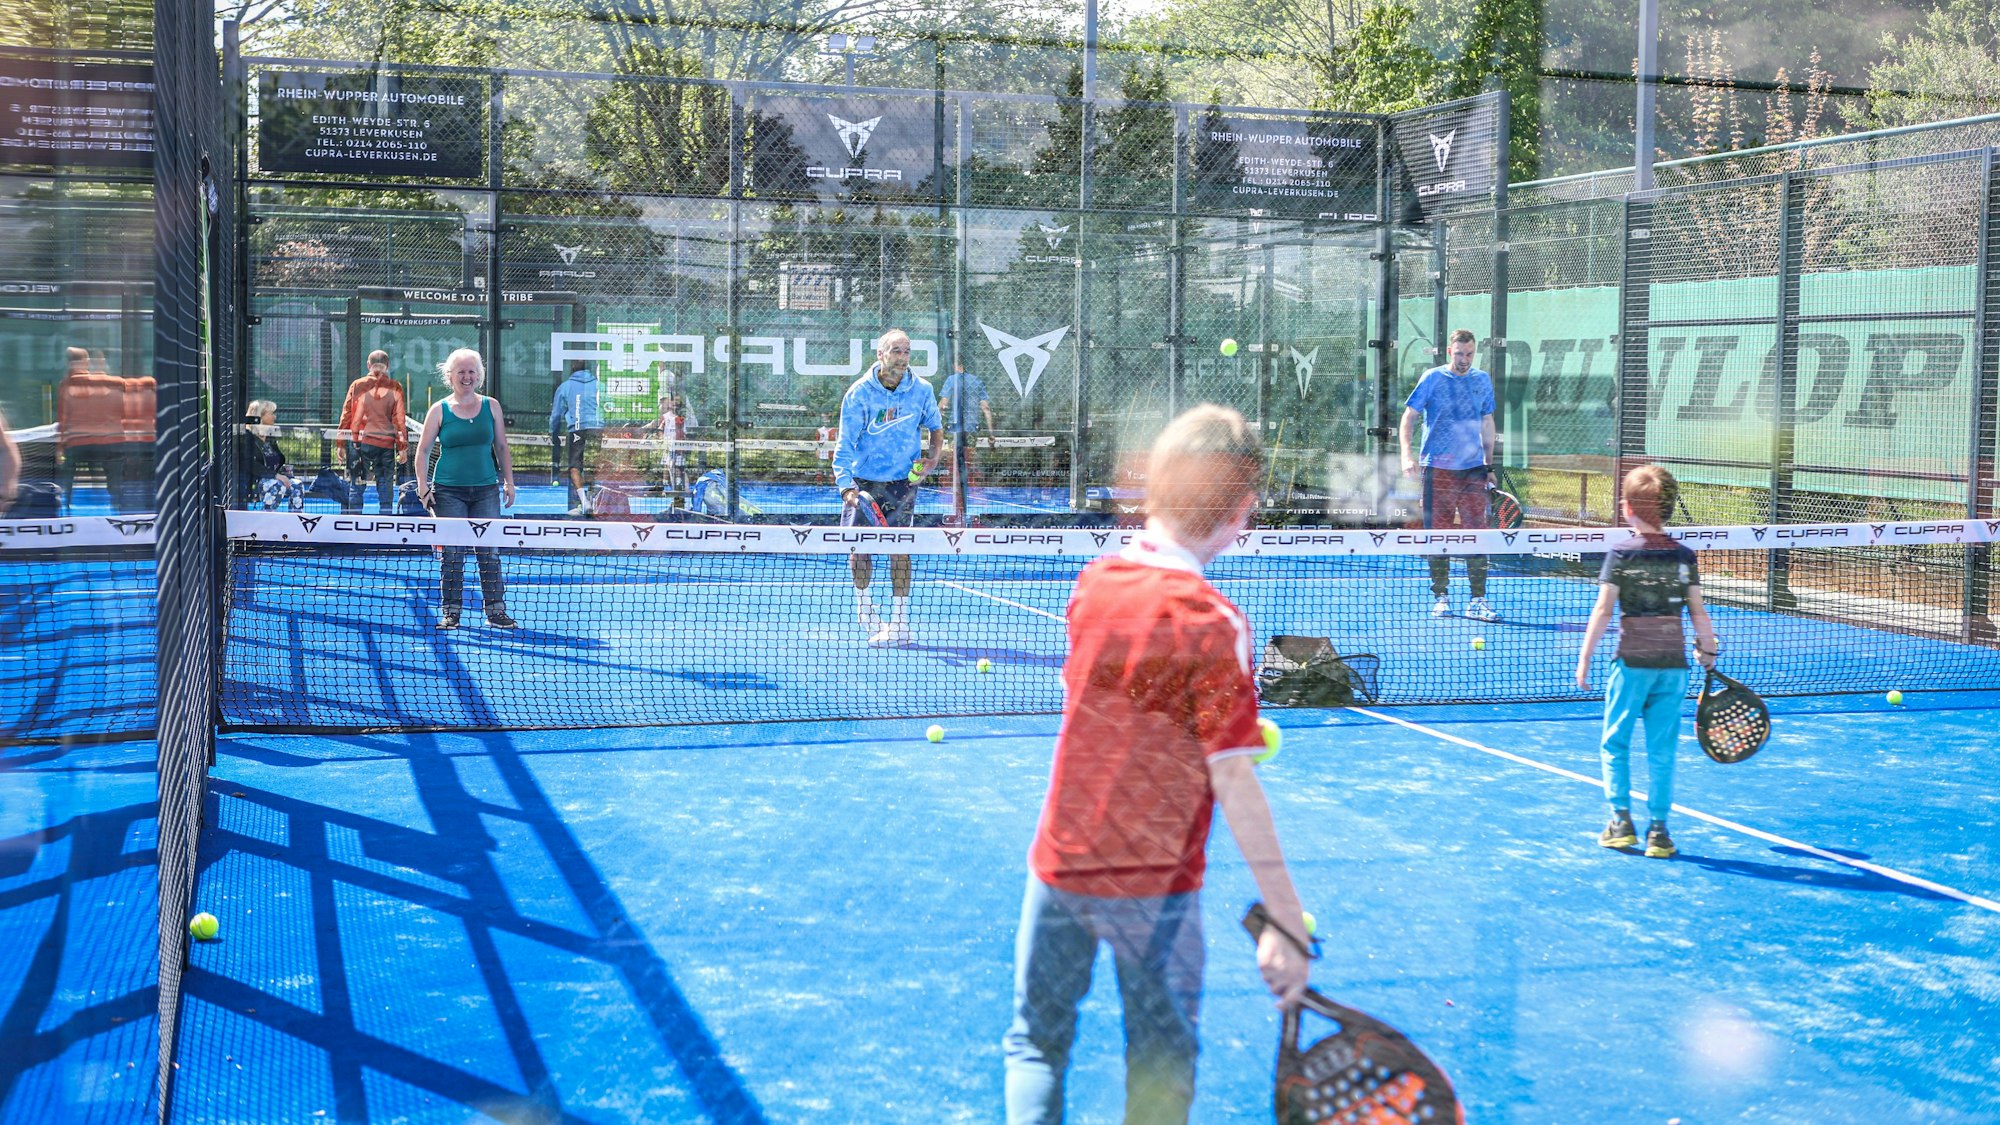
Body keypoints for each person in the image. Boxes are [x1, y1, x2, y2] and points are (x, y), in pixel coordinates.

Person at [1004, 404, 1312, 1124]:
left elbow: (1098, 704)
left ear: (1157, 486)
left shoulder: (1092, 586)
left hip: (1061, 867)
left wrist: (1205, 734)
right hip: (1158, 891)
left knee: (1035, 1048)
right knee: (1161, 1062)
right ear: (1241, 512)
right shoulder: (1216, 624)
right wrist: (1286, 918)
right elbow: (1232, 778)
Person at [1575, 465, 1718, 859]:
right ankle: (1659, 831)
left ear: (1628, 509)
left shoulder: (1620, 554)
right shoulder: (1684, 557)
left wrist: (1584, 658)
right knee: (1663, 749)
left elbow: (1603, 610)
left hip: (1631, 666)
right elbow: (1698, 613)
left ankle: (1620, 821)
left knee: (1614, 743)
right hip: (1673, 668)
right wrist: (1708, 650)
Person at [832, 329, 942, 647]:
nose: (903, 358)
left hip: (901, 484)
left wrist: (932, 460)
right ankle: (865, 608)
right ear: (881, 354)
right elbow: (845, 444)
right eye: (896, 351)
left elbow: (935, 427)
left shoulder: (921, 390)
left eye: (907, 351)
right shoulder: (859, 393)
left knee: (900, 551)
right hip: (863, 481)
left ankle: (900, 622)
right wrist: (846, 487)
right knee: (858, 551)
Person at [1399, 328, 1499, 622]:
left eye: (1469, 354)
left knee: (1476, 536)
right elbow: (1409, 417)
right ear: (1448, 351)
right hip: (1438, 469)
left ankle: (1478, 600)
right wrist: (1407, 455)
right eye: (1459, 354)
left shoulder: (1482, 380)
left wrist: (1489, 465)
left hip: (1473, 470)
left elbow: (1487, 420)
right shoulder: (1432, 378)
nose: (1465, 359)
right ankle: (1441, 596)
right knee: (1437, 536)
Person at [414, 349, 518, 630]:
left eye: (471, 371)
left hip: (486, 490)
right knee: (452, 554)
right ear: (450, 376)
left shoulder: (491, 406)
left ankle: (496, 611)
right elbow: (422, 451)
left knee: (489, 553)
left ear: (479, 375)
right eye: (461, 371)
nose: (467, 376)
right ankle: (451, 613)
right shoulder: (439, 410)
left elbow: (502, 447)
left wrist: (509, 482)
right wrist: (423, 488)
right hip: (448, 492)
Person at [336, 350, 408, 514]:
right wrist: (402, 447)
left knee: (357, 484)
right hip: (385, 444)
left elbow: (346, 415)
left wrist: (340, 442)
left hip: (360, 443)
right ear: (387, 366)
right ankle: (385, 524)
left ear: (368, 365)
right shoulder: (395, 387)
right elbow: (399, 420)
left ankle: (353, 525)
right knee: (385, 485)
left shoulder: (357, 385)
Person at [549, 362, 604, 515]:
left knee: (575, 466)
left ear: (571, 369)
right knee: (596, 466)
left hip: (577, 429)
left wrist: (553, 432)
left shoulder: (565, 386)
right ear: (588, 368)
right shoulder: (600, 385)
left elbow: (556, 415)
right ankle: (590, 503)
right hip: (598, 429)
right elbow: (607, 405)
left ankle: (585, 503)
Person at [939, 357, 994, 500]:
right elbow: (986, 408)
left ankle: (952, 492)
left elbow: (943, 404)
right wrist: (991, 433)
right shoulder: (977, 381)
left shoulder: (951, 380)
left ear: (957, 365)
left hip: (954, 427)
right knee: (969, 459)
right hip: (971, 427)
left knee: (953, 460)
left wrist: (934, 425)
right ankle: (970, 492)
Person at [237, 400, 303, 511]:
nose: (274, 416)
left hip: (274, 477)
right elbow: (249, 464)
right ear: (260, 416)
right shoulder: (247, 437)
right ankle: (266, 519)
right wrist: (275, 475)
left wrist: (283, 471)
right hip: (256, 481)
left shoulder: (270, 436)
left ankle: (296, 520)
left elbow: (276, 459)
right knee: (277, 486)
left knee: (297, 485)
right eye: (271, 413)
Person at [814, 413, 837, 486]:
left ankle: (832, 483)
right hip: (822, 452)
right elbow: (816, 442)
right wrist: (817, 451)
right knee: (820, 467)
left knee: (831, 468)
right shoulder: (819, 430)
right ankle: (819, 483)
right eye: (824, 419)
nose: (826, 421)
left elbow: (837, 441)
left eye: (827, 419)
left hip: (831, 452)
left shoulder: (834, 430)